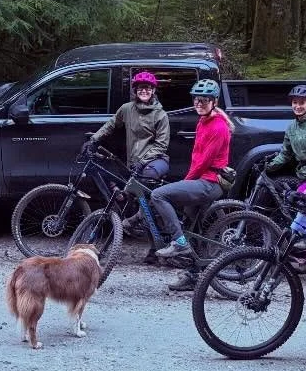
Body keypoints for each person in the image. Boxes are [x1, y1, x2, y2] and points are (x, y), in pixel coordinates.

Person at [152, 80, 230, 291]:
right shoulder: (203, 121)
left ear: (214, 101)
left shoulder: (219, 127)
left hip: (209, 182)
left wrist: (186, 181)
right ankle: (194, 276)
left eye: (204, 100)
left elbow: (204, 162)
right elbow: (196, 159)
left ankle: (178, 242)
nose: (199, 103)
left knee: (159, 195)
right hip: (200, 179)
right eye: (196, 99)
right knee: (193, 228)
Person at [89, 70, 170, 181]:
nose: (144, 91)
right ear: (135, 90)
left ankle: (152, 198)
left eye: (148, 88)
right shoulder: (126, 109)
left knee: (144, 185)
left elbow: (161, 145)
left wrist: (142, 162)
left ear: (153, 90)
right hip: (132, 163)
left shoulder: (160, 115)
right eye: (140, 88)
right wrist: (93, 140)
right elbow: (110, 125)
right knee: (129, 191)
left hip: (153, 161)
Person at [264, 84, 306, 186]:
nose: (297, 106)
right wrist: (269, 166)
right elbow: (285, 154)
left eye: (302, 103)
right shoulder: (291, 127)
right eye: (295, 102)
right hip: (301, 173)